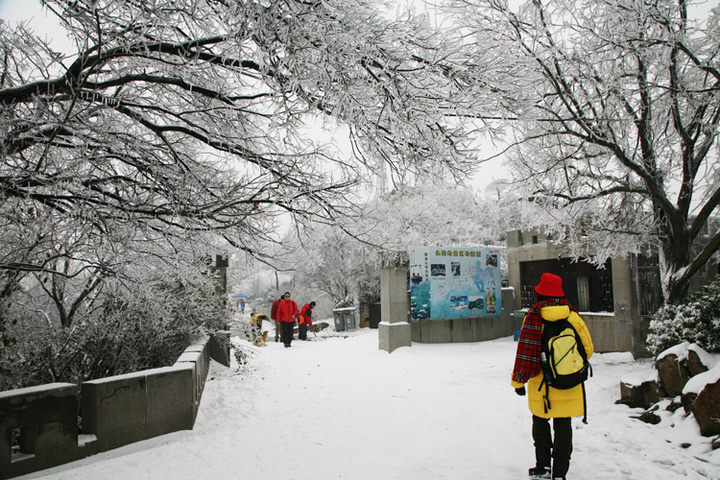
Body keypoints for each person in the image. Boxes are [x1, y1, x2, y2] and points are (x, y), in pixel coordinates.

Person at [511, 273, 594, 480]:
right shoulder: (572, 316)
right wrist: (568, 364)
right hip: (569, 382)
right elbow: (588, 350)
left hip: (542, 384)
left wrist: (518, 382)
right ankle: (560, 473)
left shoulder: (533, 317)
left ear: (539, 294)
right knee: (563, 425)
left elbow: (525, 354)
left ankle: (543, 467)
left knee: (540, 422)